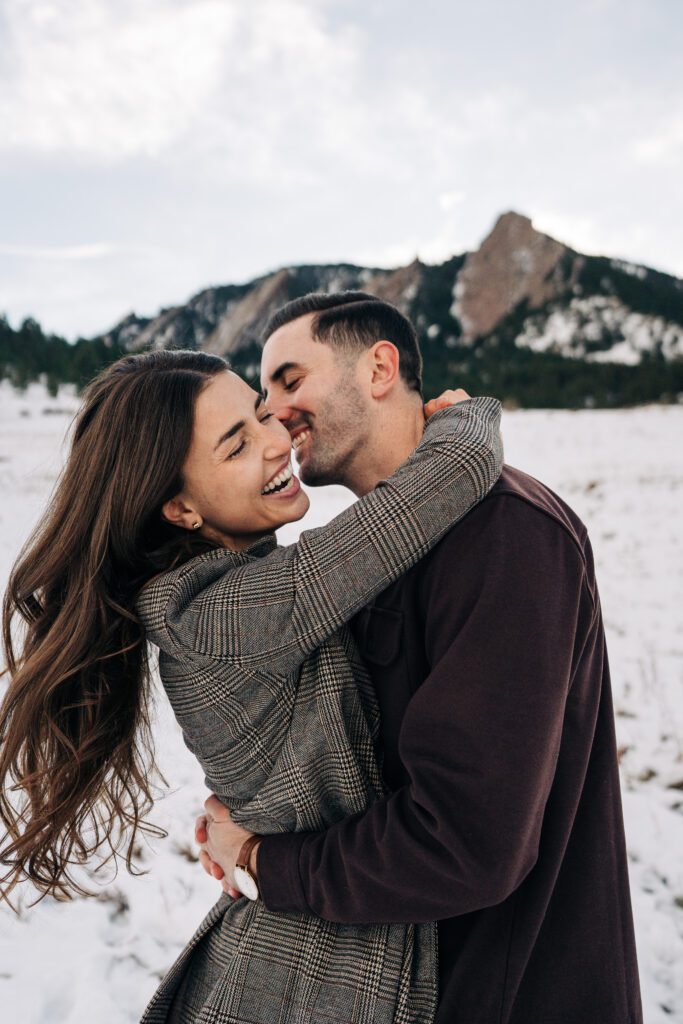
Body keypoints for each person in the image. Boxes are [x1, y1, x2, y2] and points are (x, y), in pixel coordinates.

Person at [0, 348, 503, 1023]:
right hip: (307, 979)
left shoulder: (219, 599)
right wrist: (462, 417)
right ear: (178, 507)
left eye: (262, 414)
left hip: (307, 941)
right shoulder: (226, 614)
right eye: (237, 444)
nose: (276, 442)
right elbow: (456, 473)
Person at [197, 291, 644, 1024]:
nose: (273, 412)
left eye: (289, 379)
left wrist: (263, 862)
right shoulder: (374, 554)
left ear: (378, 368)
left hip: (509, 993)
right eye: (264, 392)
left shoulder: (505, 534)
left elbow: (466, 844)